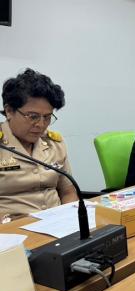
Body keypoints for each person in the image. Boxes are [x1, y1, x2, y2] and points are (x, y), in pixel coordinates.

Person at [0, 69, 77, 221]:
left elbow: (68, 192)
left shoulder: (54, 143)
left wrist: (70, 219)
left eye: (47, 117)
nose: (41, 124)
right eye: (33, 116)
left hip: (57, 224)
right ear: (9, 111)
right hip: (10, 228)